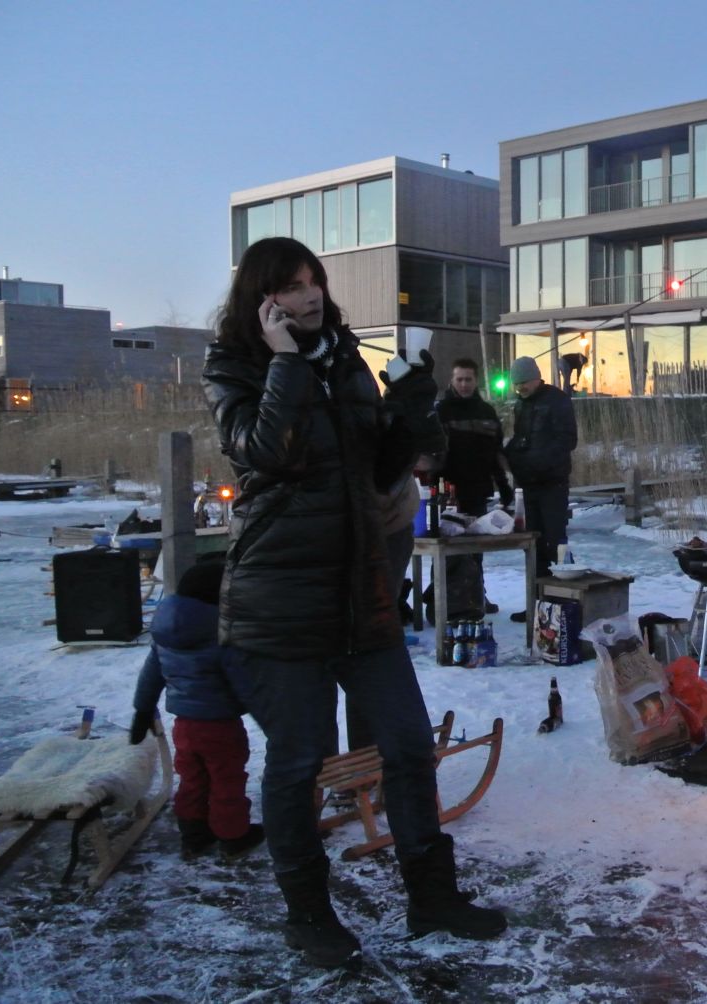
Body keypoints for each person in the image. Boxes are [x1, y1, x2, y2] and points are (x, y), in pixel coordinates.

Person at [203, 237, 505, 967]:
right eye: (291, 286)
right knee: (299, 759)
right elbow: (264, 450)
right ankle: (307, 913)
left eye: (315, 282)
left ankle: (432, 897)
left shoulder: (344, 360)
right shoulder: (233, 366)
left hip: (360, 590)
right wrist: (282, 361)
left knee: (405, 744)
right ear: (262, 298)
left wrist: (412, 413)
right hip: (281, 598)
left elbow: (379, 470)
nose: (309, 296)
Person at [128, 557, 264, 861]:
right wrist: (268, 719)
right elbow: (245, 684)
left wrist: (141, 711)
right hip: (220, 727)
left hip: (185, 726)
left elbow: (151, 675)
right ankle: (233, 838)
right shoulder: (221, 637)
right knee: (227, 781)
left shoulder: (164, 634)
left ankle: (193, 836)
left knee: (192, 779)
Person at [433, 357, 515, 621]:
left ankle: (475, 595)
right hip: (447, 493)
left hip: (478, 490)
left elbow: (495, 455)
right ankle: (441, 601)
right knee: (447, 550)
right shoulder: (441, 410)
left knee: (475, 549)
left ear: (476, 380)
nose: (464, 384)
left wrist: (504, 489)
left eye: (468, 379)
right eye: (459, 379)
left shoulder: (486, 412)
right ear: (452, 380)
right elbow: (434, 454)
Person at [503, 355, 578, 596]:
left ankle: (562, 600)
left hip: (552, 484)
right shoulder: (521, 404)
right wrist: (510, 455)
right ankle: (537, 602)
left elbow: (567, 440)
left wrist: (537, 463)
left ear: (537, 379)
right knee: (532, 544)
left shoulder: (557, 401)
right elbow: (522, 439)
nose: (520, 387)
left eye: (524, 382)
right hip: (528, 486)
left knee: (555, 542)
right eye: (516, 384)